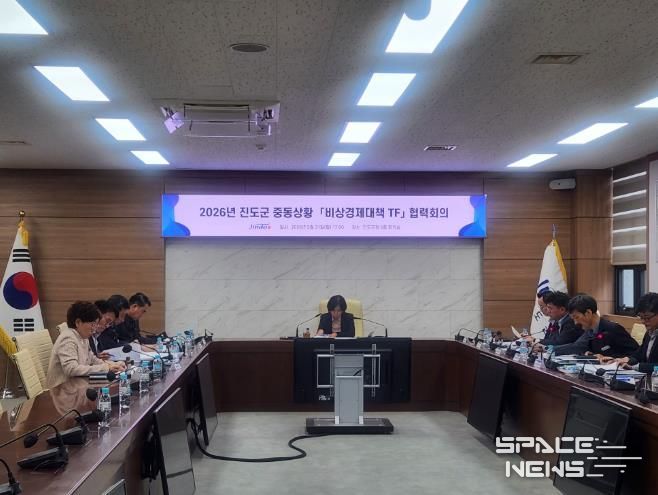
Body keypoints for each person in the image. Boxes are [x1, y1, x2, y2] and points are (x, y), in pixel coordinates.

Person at [47, 301, 125, 388]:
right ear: (78, 322)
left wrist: (112, 365)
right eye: (92, 324)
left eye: (96, 324)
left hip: (77, 386)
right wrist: (105, 368)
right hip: (61, 389)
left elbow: (92, 359)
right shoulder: (68, 338)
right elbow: (71, 369)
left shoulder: (83, 337)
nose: (94, 329)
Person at [552, 294, 639, 358]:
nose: (575, 323)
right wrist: (591, 354)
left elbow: (636, 353)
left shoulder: (612, 329)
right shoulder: (590, 330)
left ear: (588, 313)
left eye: (577, 317)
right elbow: (578, 346)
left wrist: (612, 358)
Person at [603, 292, 658, 372]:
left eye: (647, 318)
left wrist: (636, 367)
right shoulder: (650, 332)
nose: (643, 321)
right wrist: (626, 360)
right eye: (641, 317)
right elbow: (639, 354)